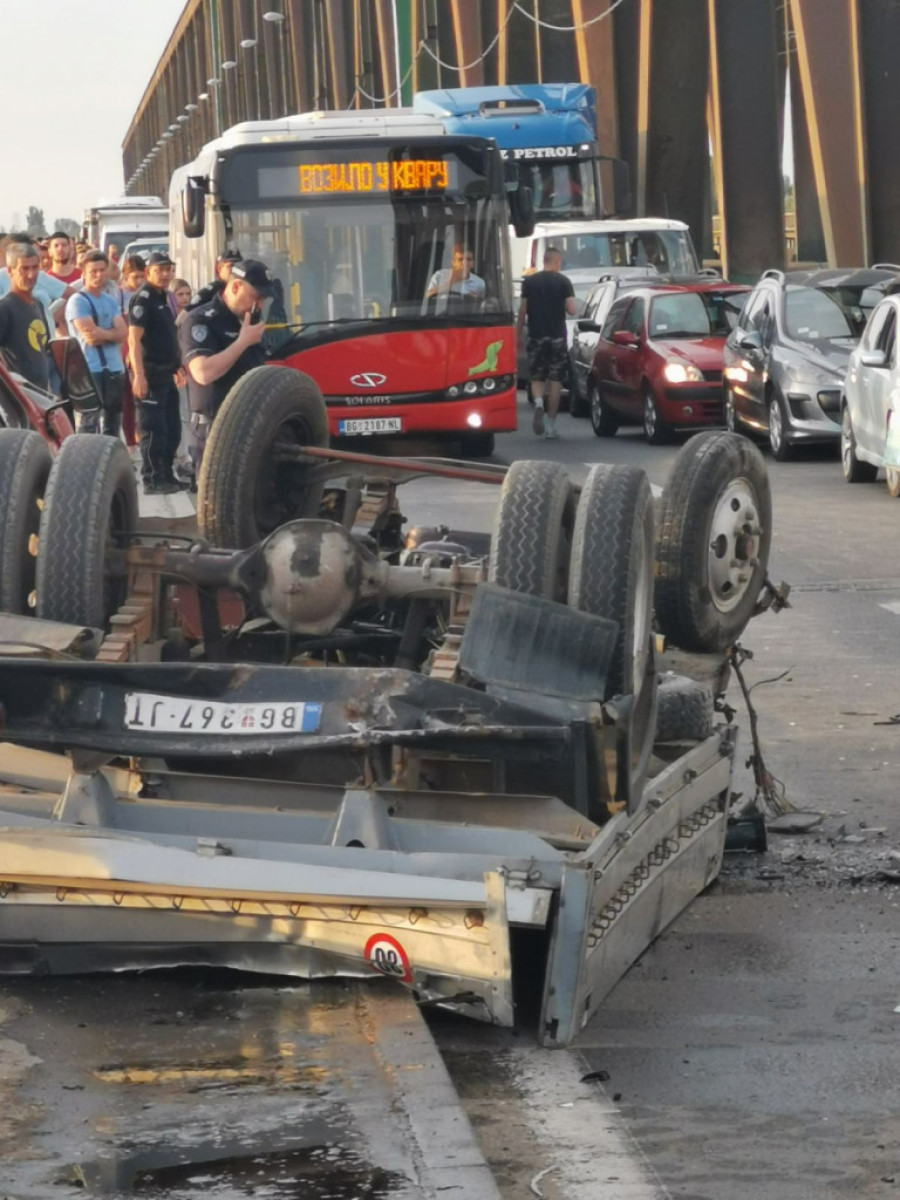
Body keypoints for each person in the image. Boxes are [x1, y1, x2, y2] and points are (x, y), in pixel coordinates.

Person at [178, 258, 271, 473]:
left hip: (250, 422)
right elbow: (203, 372)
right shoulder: (201, 320)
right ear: (236, 287)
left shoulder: (251, 318)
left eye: (263, 299)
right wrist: (242, 342)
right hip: (215, 425)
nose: (260, 305)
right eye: (256, 297)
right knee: (216, 499)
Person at [128, 252, 185, 495]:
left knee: (172, 429)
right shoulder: (143, 299)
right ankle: (152, 479)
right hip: (150, 375)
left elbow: (168, 336)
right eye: (159, 270)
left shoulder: (165, 297)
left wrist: (178, 365)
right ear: (148, 272)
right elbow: (134, 340)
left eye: (168, 269)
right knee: (153, 430)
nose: (165, 275)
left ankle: (167, 474)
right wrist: (139, 376)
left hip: (166, 374)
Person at [517, 247, 576, 439]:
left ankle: (539, 403)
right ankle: (551, 427)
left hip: (536, 335)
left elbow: (522, 311)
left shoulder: (530, 282)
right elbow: (572, 309)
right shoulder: (564, 282)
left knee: (537, 377)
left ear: (544, 261)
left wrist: (517, 334)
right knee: (556, 380)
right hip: (558, 336)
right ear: (557, 262)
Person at [66, 250, 127, 435]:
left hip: (114, 369)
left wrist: (104, 333)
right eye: (94, 271)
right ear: (83, 273)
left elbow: (123, 333)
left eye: (102, 270)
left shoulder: (109, 300)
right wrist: (111, 333)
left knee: (113, 424)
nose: (99, 275)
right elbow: (90, 337)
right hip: (89, 369)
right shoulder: (78, 301)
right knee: (88, 424)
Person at [0, 243, 52, 390]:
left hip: (42, 392)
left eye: (35, 267)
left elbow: (41, 350)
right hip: (20, 397)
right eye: (25, 268)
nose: (31, 274)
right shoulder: (4, 308)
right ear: (10, 271)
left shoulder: (38, 304)